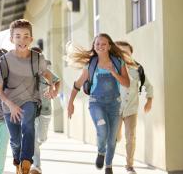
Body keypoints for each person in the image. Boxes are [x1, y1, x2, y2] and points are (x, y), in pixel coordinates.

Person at [0, 19, 56, 174]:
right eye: (18, 36)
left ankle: (27, 163)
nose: (22, 40)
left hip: (30, 100)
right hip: (9, 104)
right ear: (11, 39)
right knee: (15, 140)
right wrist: (11, 105)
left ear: (31, 38)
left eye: (26, 36)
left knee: (28, 126)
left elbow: (50, 76)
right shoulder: (3, 61)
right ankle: (17, 161)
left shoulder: (37, 59)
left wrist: (53, 87)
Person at [66, 33, 131, 174]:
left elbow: (127, 83)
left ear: (109, 46)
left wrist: (114, 72)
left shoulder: (118, 62)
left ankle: (108, 166)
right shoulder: (91, 64)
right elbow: (78, 84)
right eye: (97, 44)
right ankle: (101, 152)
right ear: (94, 47)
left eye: (103, 44)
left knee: (112, 139)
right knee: (103, 130)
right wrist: (70, 103)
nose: (100, 46)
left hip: (114, 104)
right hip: (96, 103)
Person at [115, 41, 153, 174]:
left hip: (131, 109)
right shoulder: (112, 68)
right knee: (115, 137)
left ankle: (129, 165)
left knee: (131, 137)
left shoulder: (138, 69)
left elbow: (148, 86)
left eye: (126, 52)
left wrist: (149, 100)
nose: (124, 54)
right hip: (115, 109)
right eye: (120, 52)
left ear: (131, 53)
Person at [29, 47, 60, 174]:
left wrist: (54, 91)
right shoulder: (24, 72)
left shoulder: (45, 72)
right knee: (34, 139)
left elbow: (57, 81)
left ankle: (36, 146)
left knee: (41, 138)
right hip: (31, 109)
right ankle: (37, 166)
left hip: (45, 110)